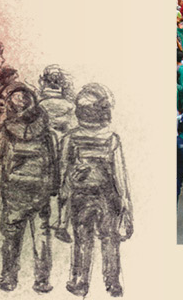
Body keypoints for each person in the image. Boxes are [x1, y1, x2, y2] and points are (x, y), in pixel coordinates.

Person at [56, 84, 131, 297]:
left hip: (80, 196)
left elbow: (63, 169)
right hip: (108, 196)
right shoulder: (112, 138)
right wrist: (125, 201)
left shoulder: (70, 138)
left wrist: (63, 196)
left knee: (82, 239)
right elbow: (120, 175)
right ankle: (113, 283)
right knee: (110, 239)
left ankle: (80, 281)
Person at [0, 84, 60, 294]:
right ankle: (42, 280)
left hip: (14, 192)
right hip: (40, 191)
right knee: (41, 235)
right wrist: (53, 189)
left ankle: (8, 277)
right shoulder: (47, 133)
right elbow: (55, 163)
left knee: (11, 236)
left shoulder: (4, 131)